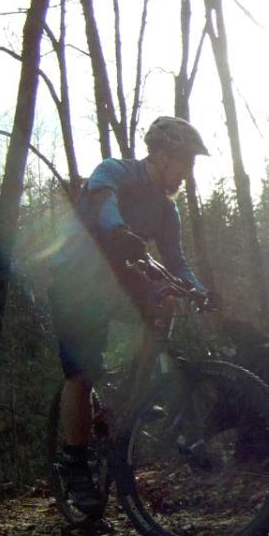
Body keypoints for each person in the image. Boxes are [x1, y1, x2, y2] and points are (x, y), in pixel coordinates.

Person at [48, 115, 213, 514]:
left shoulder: (166, 210)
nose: (188, 172)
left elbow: (176, 261)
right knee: (81, 375)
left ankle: (137, 391)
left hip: (118, 283)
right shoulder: (114, 171)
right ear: (161, 155)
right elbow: (104, 202)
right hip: (77, 279)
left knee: (166, 299)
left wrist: (200, 291)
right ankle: (74, 464)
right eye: (185, 162)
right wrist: (119, 231)